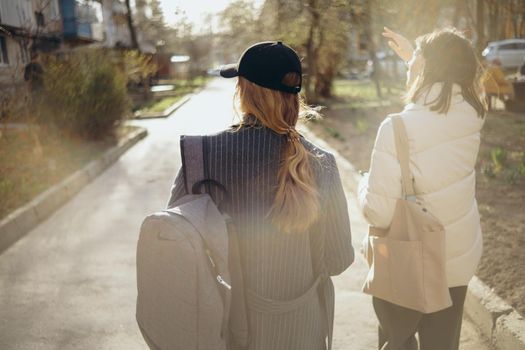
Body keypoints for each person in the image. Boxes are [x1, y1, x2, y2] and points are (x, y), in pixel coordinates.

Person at [167, 41, 354, 350]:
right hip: (301, 333)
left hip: (224, 332)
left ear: (243, 90)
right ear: (295, 97)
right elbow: (338, 259)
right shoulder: (321, 163)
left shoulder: (201, 157)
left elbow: (175, 247)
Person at [358, 28, 485, 350]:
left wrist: (363, 184)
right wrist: (412, 61)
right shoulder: (472, 115)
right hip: (456, 255)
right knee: (442, 344)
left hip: (408, 258)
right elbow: (434, 102)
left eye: (416, 56)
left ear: (427, 67)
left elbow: (378, 210)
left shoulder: (397, 126)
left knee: (397, 340)